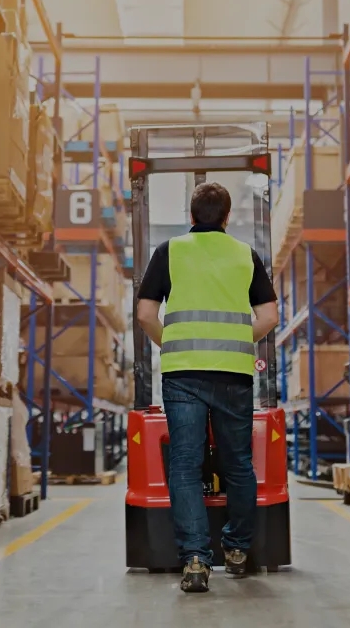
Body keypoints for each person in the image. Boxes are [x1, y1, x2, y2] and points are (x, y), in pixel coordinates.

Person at [136, 182, 279, 593]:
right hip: (234, 372)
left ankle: (196, 560)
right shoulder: (244, 254)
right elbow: (268, 315)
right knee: (237, 464)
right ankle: (236, 549)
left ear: (192, 215)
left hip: (183, 373)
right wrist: (233, 340)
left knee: (184, 465)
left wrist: (174, 342)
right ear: (227, 216)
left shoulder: (170, 251)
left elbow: (146, 313)